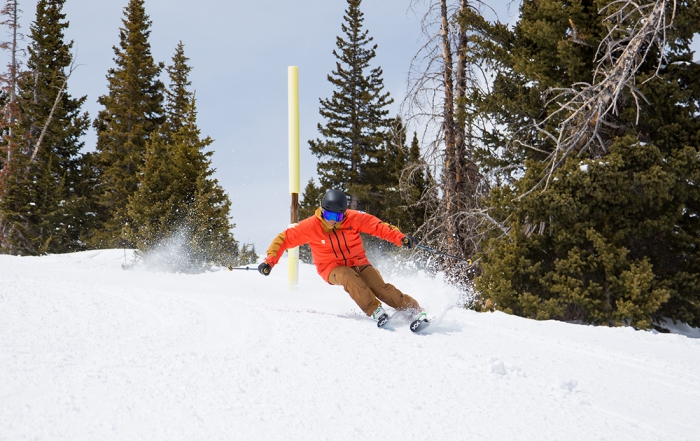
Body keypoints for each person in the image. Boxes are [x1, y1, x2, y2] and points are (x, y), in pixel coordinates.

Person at [258, 189, 429, 330]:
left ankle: (414, 310)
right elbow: (284, 239)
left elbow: (378, 227)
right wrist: (269, 261)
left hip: (358, 262)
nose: (332, 221)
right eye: (329, 216)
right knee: (348, 277)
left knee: (380, 287)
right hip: (330, 268)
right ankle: (375, 310)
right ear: (321, 210)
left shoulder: (353, 218)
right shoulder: (310, 226)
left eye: (337, 217)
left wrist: (401, 238)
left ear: (344, 214)